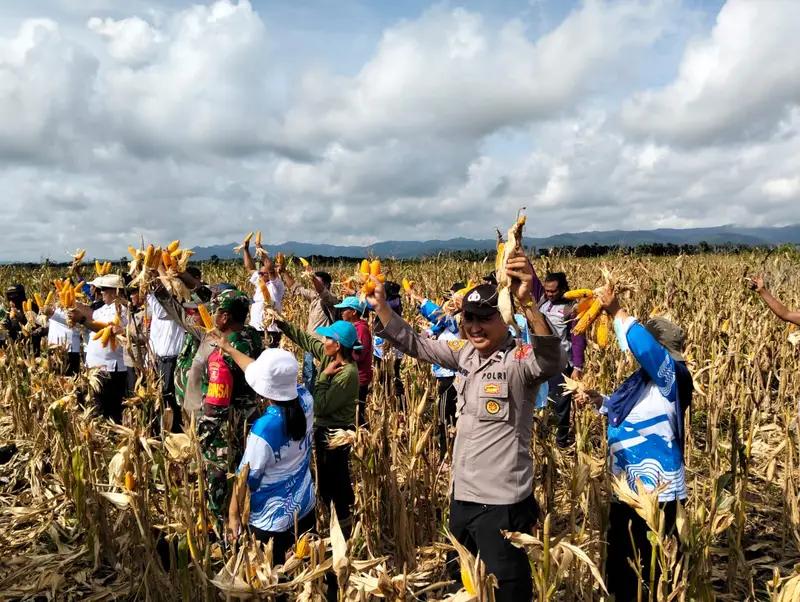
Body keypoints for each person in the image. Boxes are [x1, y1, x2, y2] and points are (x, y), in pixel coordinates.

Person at [368, 254, 565, 601]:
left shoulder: (518, 362)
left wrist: (528, 304)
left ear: (504, 319)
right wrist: (382, 308)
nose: (474, 326)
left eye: (484, 319)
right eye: (469, 318)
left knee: (507, 586)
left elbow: (551, 359)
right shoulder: (465, 355)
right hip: (462, 498)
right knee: (465, 583)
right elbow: (417, 344)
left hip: (502, 502)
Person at [576, 288, 692, 602]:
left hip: (659, 496)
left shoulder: (674, 378)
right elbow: (624, 410)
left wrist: (616, 311)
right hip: (625, 490)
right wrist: (597, 400)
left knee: (657, 572)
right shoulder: (641, 382)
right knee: (622, 572)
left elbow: (643, 348)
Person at [217, 346, 315, 560]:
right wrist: (228, 348)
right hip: (306, 505)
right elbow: (265, 375)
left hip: (272, 523)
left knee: (274, 583)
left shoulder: (264, 430)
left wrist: (233, 517)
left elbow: (246, 478)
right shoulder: (306, 399)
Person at [276, 316, 359, 537]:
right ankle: (333, 521)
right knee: (324, 479)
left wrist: (322, 378)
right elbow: (305, 340)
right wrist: (282, 324)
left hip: (336, 433)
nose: (323, 341)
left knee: (335, 481)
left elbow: (321, 407)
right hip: (323, 430)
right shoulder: (326, 355)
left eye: (328, 338)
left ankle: (344, 528)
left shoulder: (348, 374)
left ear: (338, 344)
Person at [406, 282, 464, 455]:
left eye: (454, 300)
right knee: (445, 413)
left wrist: (417, 297)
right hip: (444, 375)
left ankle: (446, 452)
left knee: (445, 415)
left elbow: (438, 315)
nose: (450, 303)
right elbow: (436, 324)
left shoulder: (459, 321)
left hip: (450, 377)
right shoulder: (447, 324)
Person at [531, 270, 587, 447]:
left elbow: (578, 339)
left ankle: (560, 442)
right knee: (540, 400)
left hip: (560, 363)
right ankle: (542, 438)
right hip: (539, 360)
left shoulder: (571, 309)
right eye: (547, 290)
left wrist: (577, 367)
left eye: (553, 291)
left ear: (563, 288)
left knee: (560, 404)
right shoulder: (543, 301)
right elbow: (531, 278)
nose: (549, 294)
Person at [70, 274, 130, 423]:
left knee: (111, 410)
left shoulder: (123, 310)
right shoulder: (103, 309)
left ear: (114, 291)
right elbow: (91, 316)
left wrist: (83, 320)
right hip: (96, 368)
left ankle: (113, 438)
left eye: (103, 289)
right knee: (96, 408)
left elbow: (105, 329)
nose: (100, 292)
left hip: (112, 369)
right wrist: (73, 305)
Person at [280, 262, 339, 393]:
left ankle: (319, 403)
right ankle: (309, 402)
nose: (313, 284)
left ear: (327, 285)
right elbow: (296, 288)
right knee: (308, 375)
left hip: (322, 346)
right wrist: (284, 271)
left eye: (316, 281)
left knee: (321, 377)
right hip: (309, 345)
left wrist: (311, 276)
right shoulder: (314, 297)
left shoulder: (331, 300)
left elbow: (322, 292)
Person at [147, 286, 187, 433]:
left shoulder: (175, 306)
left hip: (172, 360)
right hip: (158, 358)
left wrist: (152, 292)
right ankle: (160, 430)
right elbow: (155, 334)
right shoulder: (155, 303)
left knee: (169, 398)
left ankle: (174, 432)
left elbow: (161, 312)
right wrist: (150, 356)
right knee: (158, 398)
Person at [334, 296, 372, 426]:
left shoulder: (361, 329)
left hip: (358, 379)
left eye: (344, 309)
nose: (341, 312)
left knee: (356, 416)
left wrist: (341, 353)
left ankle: (360, 440)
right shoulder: (352, 328)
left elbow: (359, 356)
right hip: (351, 376)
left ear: (354, 312)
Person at [243, 239, 286, 348]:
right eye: (260, 273)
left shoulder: (276, 285)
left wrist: (260, 249)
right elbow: (250, 268)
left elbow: (271, 269)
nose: (260, 274)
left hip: (271, 331)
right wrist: (246, 249)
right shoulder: (259, 282)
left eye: (263, 273)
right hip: (255, 329)